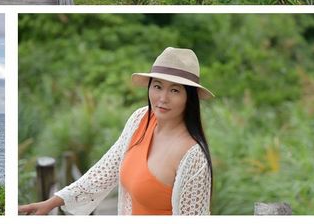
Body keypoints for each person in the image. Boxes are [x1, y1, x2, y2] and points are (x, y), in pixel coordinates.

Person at [18, 47, 214, 216]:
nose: (162, 98)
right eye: (157, 86)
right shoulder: (141, 119)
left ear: (190, 98)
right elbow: (106, 169)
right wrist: (51, 202)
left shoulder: (193, 157)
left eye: (175, 90)